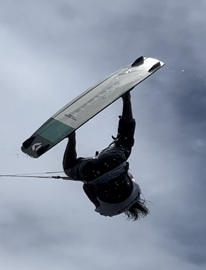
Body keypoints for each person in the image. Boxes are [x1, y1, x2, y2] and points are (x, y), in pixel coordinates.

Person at [62, 91, 149, 220]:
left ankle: (126, 98)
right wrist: (87, 179)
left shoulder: (136, 193)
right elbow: (87, 189)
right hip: (92, 173)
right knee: (68, 169)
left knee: (126, 139)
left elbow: (128, 174)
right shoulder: (107, 212)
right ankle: (71, 137)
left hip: (115, 161)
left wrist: (117, 149)